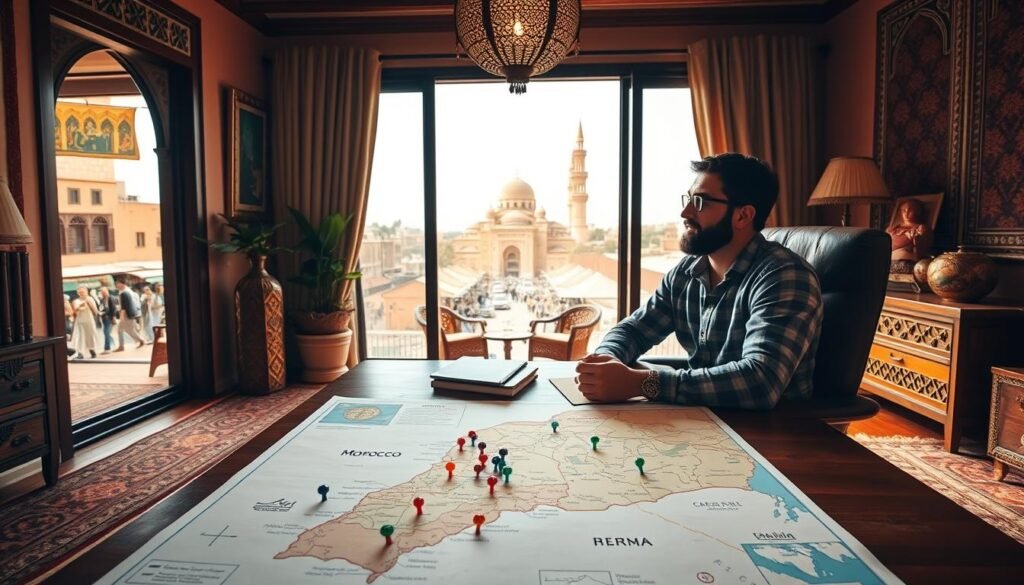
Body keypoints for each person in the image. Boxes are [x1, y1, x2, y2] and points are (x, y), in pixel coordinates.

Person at [575, 153, 823, 410]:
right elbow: (634, 330)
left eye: (700, 202)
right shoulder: (685, 274)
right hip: (703, 423)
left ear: (743, 216)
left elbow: (759, 383)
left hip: (773, 436)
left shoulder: (784, 276)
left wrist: (641, 383)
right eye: (688, 199)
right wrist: (604, 362)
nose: (685, 212)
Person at [114, 280, 145, 351]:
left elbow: (124, 306)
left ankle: (122, 346)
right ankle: (140, 340)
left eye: (118, 284)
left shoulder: (124, 293)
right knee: (128, 330)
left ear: (122, 284)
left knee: (123, 330)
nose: (117, 285)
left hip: (127, 315)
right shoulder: (128, 292)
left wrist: (122, 316)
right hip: (131, 314)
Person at [70, 286, 99, 359]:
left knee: (90, 336)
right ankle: (80, 353)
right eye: (79, 292)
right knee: (79, 337)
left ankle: (92, 350)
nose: (81, 294)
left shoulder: (90, 299)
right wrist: (79, 307)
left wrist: (88, 304)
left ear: (86, 292)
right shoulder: (76, 301)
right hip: (80, 322)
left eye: (82, 292)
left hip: (89, 321)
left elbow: (95, 312)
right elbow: (74, 313)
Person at [98, 286, 119, 353]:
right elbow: (102, 308)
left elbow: (113, 308)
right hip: (104, 317)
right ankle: (113, 345)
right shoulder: (102, 299)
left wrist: (113, 317)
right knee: (106, 332)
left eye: (104, 291)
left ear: (107, 291)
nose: (103, 293)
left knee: (106, 332)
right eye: (102, 292)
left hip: (109, 318)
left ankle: (107, 348)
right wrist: (101, 312)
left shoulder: (110, 298)